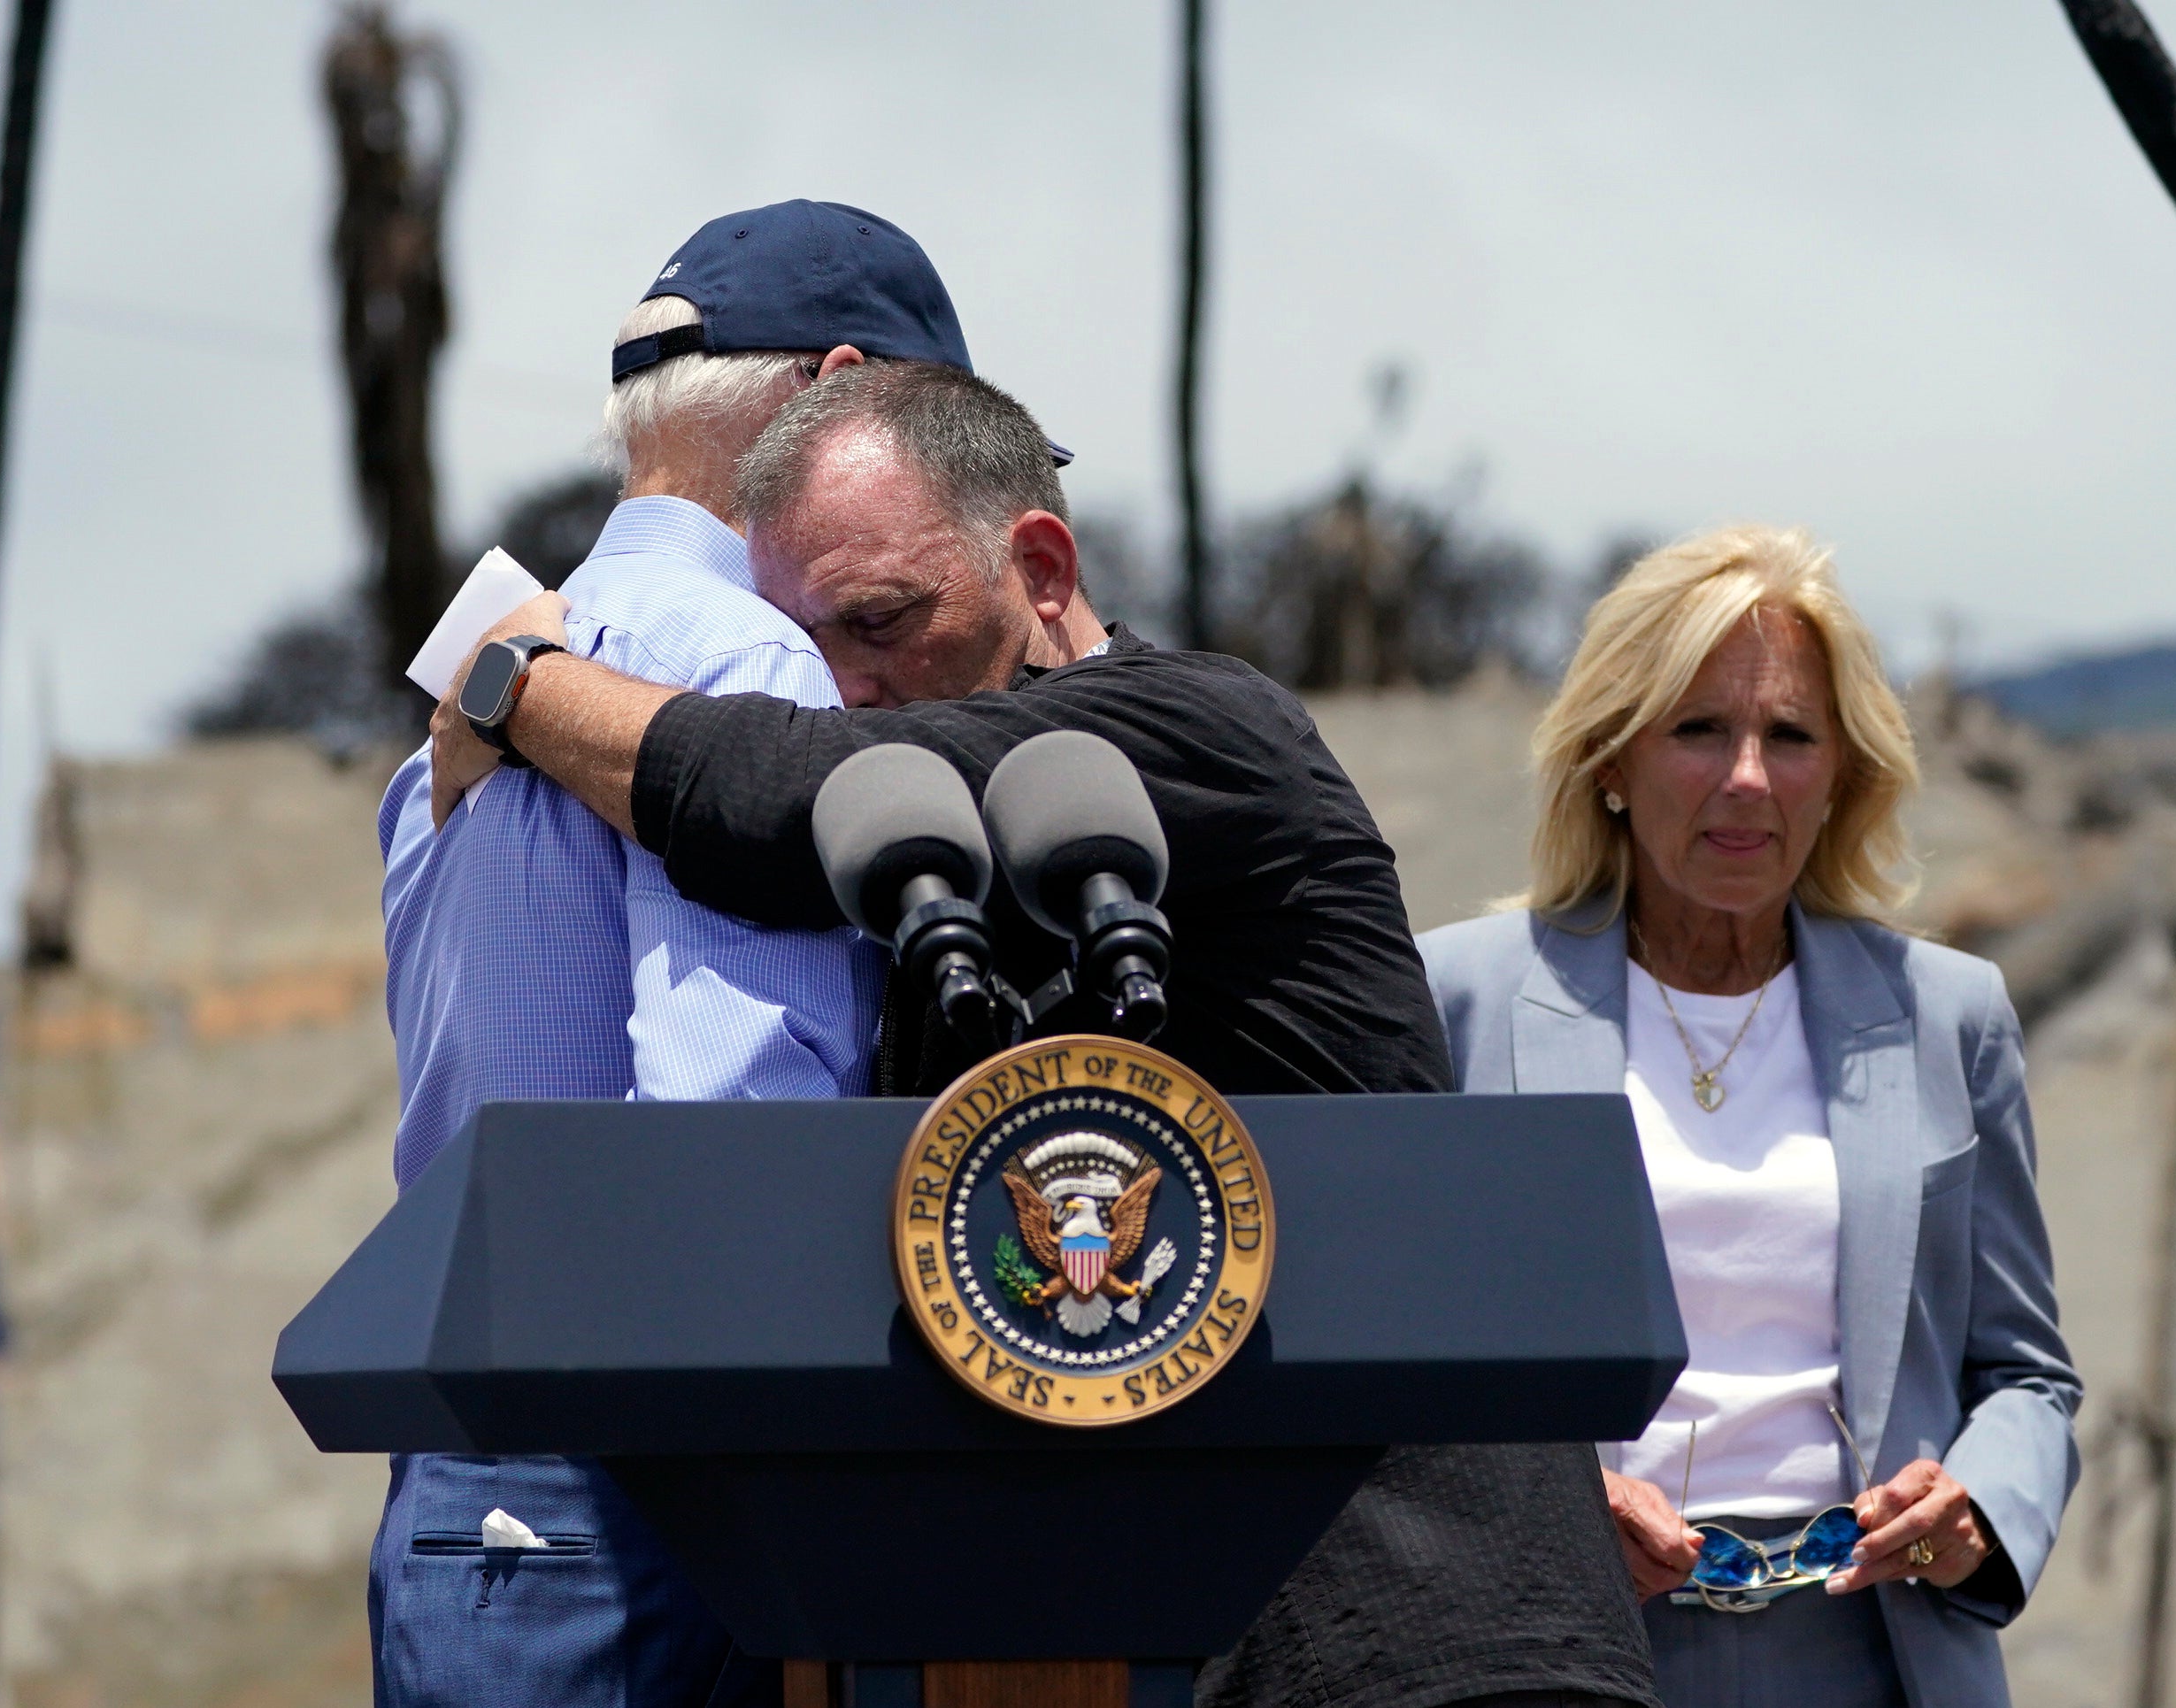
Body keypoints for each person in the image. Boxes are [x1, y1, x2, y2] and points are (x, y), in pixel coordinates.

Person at [427, 359, 1663, 1708]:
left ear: (1043, 566)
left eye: (884, 619)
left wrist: (514, 680)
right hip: (1107, 1639)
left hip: (1411, 1634)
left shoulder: (1199, 728)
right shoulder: (920, 887)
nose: (845, 684)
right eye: (805, 651)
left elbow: (781, 796)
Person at [369, 200, 971, 1708]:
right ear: (832, 396)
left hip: (460, 1486)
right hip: (649, 1495)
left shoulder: (467, 699)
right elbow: (737, 1149)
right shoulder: (750, 663)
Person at [1417, 526, 2081, 1708]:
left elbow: (2025, 1374)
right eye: (1698, 730)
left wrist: (1975, 1508)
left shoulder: (1948, 1012)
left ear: (1842, 775)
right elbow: (1401, 1370)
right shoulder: (1455, 997)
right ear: (1612, 757)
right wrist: (1553, 1502)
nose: (1746, 779)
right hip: (1558, 1643)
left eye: (1789, 736)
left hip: (1884, 1646)